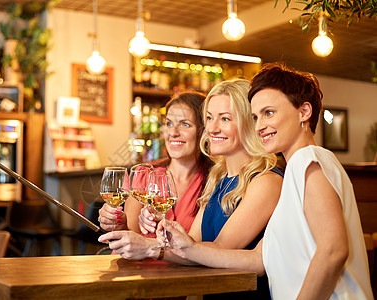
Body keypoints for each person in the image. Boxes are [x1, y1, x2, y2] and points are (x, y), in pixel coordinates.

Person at [159, 63, 374, 299]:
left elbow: (333, 251)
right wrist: (181, 247)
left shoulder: (308, 160)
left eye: (269, 113)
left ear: (304, 112)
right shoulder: (294, 171)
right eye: (255, 116)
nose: (260, 125)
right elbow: (257, 260)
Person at [99, 79, 283, 299]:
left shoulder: (266, 181)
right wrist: (163, 227)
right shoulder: (219, 178)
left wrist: (150, 247)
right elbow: (193, 242)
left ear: (247, 122)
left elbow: (219, 247)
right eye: (209, 118)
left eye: (225, 119)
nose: (212, 128)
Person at [98, 91, 212, 234]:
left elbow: (201, 246)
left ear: (204, 131)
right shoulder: (143, 174)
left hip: (183, 257)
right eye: (169, 124)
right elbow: (129, 234)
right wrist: (115, 223)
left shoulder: (213, 182)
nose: (173, 132)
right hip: (135, 257)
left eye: (185, 124)